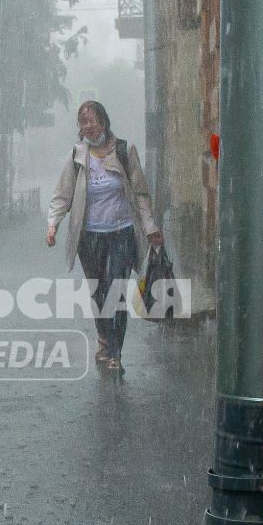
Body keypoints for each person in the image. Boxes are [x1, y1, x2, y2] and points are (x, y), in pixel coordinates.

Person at [46, 100, 162, 368]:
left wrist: (150, 228)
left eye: (92, 120)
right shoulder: (77, 156)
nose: (88, 127)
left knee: (117, 291)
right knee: (99, 292)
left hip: (121, 233)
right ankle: (105, 339)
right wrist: (53, 224)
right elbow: (62, 194)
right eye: (83, 122)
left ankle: (115, 354)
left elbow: (140, 193)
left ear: (103, 121)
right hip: (90, 237)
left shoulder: (123, 150)